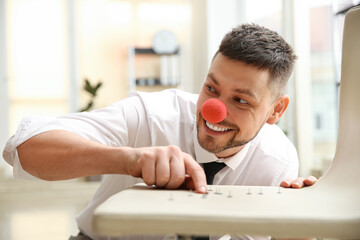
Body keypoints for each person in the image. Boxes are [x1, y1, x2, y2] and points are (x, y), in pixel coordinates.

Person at [2, 24, 317, 240]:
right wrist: (129, 160)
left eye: (240, 100)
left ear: (276, 111)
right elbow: (23, 149)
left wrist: (291, 229)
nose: (214, 110)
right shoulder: (151, 114)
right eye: (211, 88)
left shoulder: (278, 160)